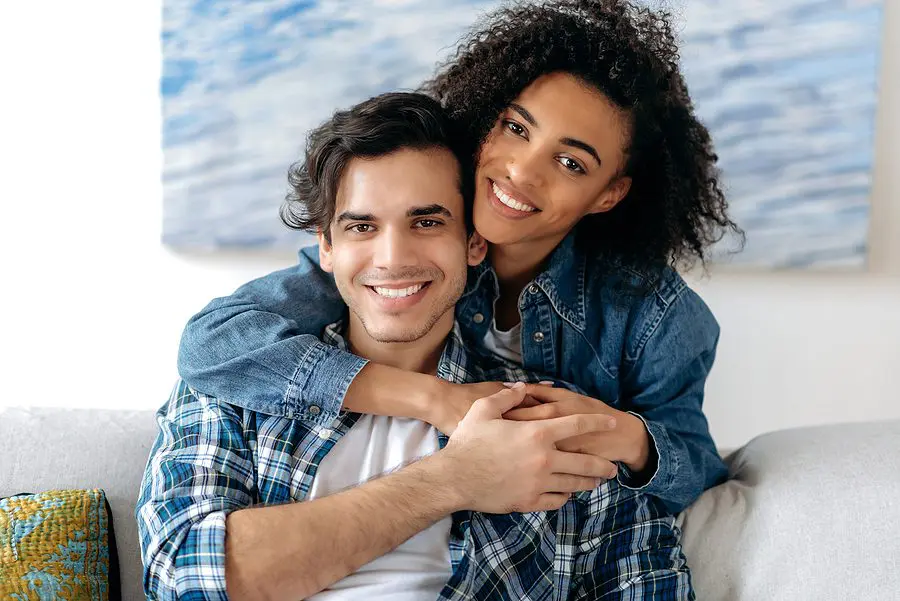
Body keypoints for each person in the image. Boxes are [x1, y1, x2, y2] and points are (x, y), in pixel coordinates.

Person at [177, 0, 743, 514]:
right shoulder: (407, 257)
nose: (522, 170)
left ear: (608, 194)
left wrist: (629, 438)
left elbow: (696, 465)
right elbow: (214, 343)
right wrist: (437, 400)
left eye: (571, 163)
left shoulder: (657, 316)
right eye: (516, 129)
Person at [137, 92, 693, 601]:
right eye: (360, 228)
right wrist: (455, 478)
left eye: (426, 222)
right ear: (325, 248)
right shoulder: (233, 385)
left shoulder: (549, 416)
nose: (392, 257)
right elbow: (183, 578)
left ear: (473, 242)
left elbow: (646, 576)